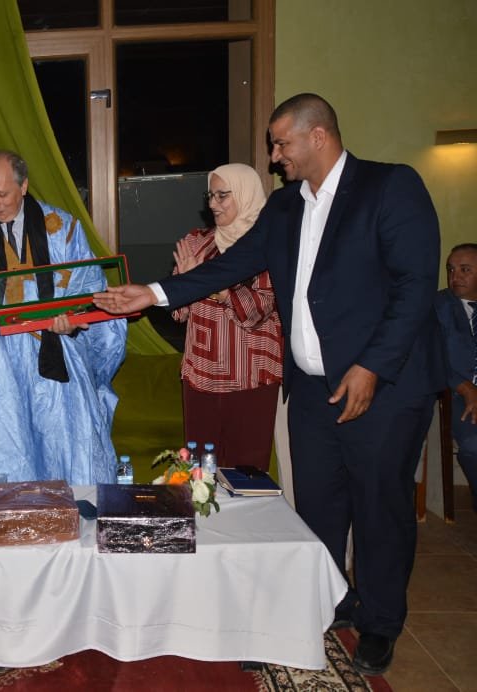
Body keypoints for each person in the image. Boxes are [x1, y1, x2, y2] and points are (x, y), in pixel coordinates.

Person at [94, 93, 441, 676]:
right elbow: (229, 267)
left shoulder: (389, 187)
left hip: (382, 387)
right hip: (311, 392)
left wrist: (372, 367)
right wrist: (151, 294)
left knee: (378, 506)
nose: (275, 156)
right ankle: (324, 604)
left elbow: (414, 286)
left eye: (282, 144)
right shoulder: (284, 207)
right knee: (318, 508)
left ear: (318, 136)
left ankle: (380, 622)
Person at [0, 150, 127, 485]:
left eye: (2, 194)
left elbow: (90, 289)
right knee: (3, 454)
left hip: (56, 364)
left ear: (23, 186)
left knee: (66, 451)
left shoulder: (63, 229)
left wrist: (72, 322)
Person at [171, 163, 282, 470]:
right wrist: (184, 284)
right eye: (210, 195)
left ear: (246, 195)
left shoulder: (269, 245)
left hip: (251, 377)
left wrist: (205, 283)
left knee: (247, 476)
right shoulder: (196, 243)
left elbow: (258, 311)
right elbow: (178, 312)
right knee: (200, 476)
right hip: (200, 377)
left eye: (222, 195)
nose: (212, 204)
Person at [434, 243, 477, 511]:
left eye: (465, 270)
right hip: (457, 393)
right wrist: (465, 387)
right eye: (451, 270)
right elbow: (431, 357)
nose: (455, 276)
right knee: (474, 444)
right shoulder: (437, 306)